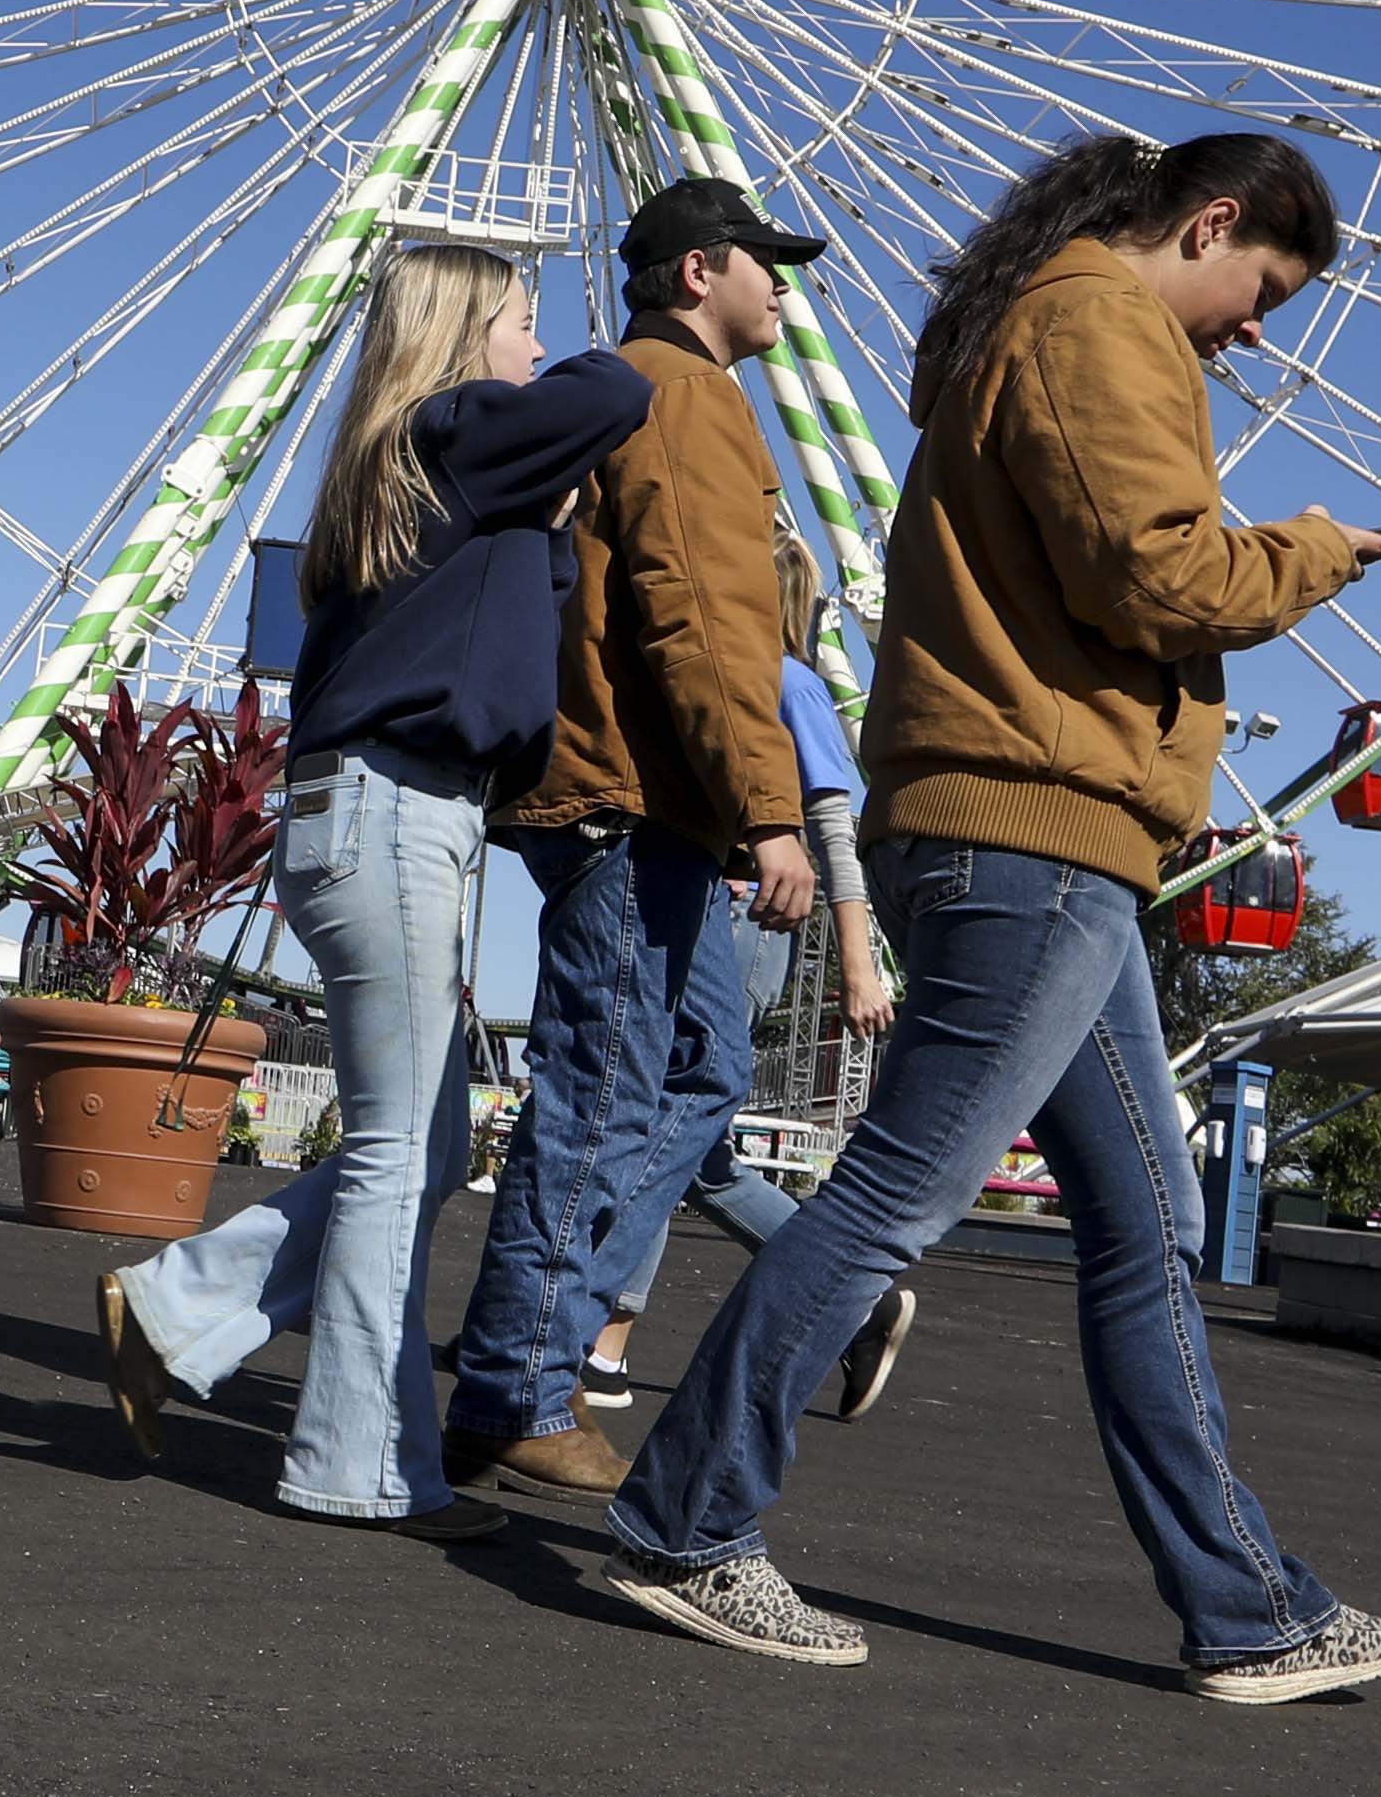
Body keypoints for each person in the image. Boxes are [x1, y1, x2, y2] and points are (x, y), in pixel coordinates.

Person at [591, 130, 1381, 1697]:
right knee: (899, 1198)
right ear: (1211, 220)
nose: (1254, 332)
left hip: (1052, 837)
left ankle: (1250, 1607)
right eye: (1262, 293)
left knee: (1152, 1228)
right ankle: (687, 1520)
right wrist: (1316, 552)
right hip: (1028, 828)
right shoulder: (1095, 320)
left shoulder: (1035, 324)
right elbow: (1158, 576)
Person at [96, 242, 650, 1533]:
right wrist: (654, 331)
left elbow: (526, 611)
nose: (535, 345)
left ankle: (181, 1307)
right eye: (521, 322)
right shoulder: (454, 428)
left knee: (429, 1142)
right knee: (405, 1153)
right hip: (393, 807)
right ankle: (352, 1459)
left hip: (385, 813)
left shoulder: (421, 470)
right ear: (464, 335)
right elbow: (615, 397)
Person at [436, 177, 824, 1497]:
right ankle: (516, 1383)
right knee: (604, 1090)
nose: (788, 286)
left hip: (648, 802)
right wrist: (768, 810)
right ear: (700, 271)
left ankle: (535, 1340)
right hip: (628, 798)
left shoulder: (660, 390)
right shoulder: (682, 392)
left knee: (700, 1071)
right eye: (770, 264)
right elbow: (704, 622)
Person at [580, 553, 913, 1420]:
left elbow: (834, 830)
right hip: (715, 907)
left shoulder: (788, 684)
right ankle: (855, 1301)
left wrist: (856, 959)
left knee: (665, 1120)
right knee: (702, 1157)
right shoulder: (736, 680)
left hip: (736, 915)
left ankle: (603, 1344)